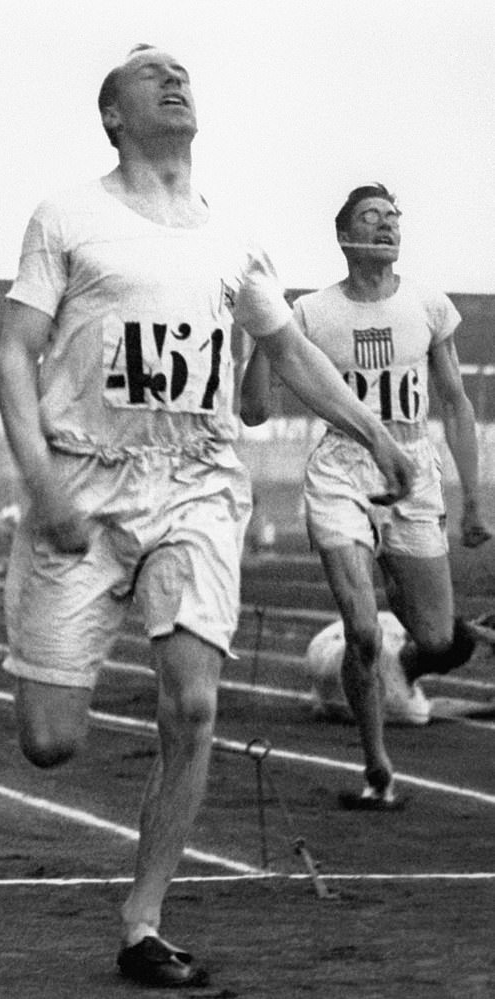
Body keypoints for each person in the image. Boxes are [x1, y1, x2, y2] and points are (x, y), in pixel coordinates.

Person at [0, 54, 413, 988]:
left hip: (196, 480)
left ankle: (143, 921)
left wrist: (374, 434)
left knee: (193, 702)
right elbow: (13, 356)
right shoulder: (67, 217)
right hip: (84, 480)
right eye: (151, 77)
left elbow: (291, 352)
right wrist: (39, 480)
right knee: (50, 740)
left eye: (182, 73)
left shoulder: (230, 237)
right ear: (113, 114)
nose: (174, 82)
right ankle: (47, 621)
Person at [241, 182, 491, 811]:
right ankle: (376, 765)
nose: (387, 227)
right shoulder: (309, 314)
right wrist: (262, 328)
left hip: (414, 469)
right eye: (372, 218)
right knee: (361, 631)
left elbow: (457, 405)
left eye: (393, 218)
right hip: (342, 472)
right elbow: (252, 411)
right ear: (344, 234)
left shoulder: (429, 305)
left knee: (434, 637)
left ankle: (390, 612)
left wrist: (474, 501)